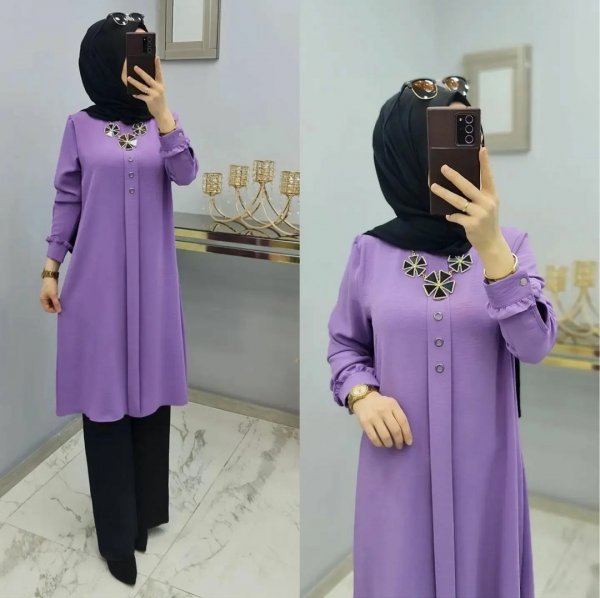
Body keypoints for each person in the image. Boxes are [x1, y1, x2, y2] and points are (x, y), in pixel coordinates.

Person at [326, 78, 558, 598]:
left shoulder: (511, 245)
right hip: (398, 469)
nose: (464, 155)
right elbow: (345, 345)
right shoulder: (369, 251)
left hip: (485, 472)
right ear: (406, 151)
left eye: (470, 135)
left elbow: (535, 346)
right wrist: (362, 395)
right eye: (445, 138)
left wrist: (491, 248)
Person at [39, 12, 199, 586]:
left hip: (153, 287)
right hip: (97, 288)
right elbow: (67, 198)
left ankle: (145, 513)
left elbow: (186, 173)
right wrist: (51, 267)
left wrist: (163, 112)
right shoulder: (79, 127)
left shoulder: (163, 124)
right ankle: (115, 533)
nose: (141, 65)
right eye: (130, 55)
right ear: (104, 63)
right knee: (106, 402)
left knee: (150, 394)